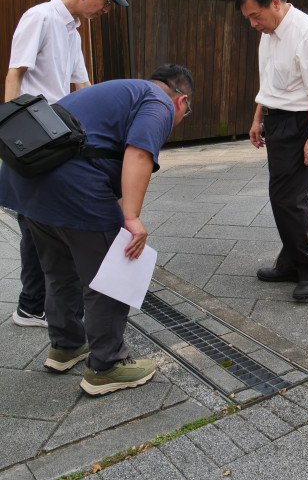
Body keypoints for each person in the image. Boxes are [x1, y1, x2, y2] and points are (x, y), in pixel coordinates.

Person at [0, 64, 194, 395]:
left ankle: (66, 345)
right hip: (70, 184)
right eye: (184, 115)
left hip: (27, 182)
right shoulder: (159, 101)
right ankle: (107, 366)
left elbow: (99, 149)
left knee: (59, 271)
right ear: (182, 100)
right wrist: (131, 217)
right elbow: (139, 152)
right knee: (111, 272)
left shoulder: (118, 89)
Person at [5, 0, 128, 328]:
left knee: (42, 219)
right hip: (31, 135)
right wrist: (10, 135)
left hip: (58, 138)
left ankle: (36, 303)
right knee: (34, 222)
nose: (105, 10)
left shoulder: (72, 31)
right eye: (105, 2)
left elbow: (83, 88)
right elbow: (15, 74)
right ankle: (31, 305)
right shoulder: (40, 18)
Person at [235, 0, 308, 300]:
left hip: (302, 125)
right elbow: (270, 83)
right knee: (283, 198)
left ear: (275, 3)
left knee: (289, 199)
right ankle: (291, 261)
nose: (253, 24)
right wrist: (257, 118)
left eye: (255, 15)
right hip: (277, 121)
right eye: (248, 17)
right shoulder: (270, 32)